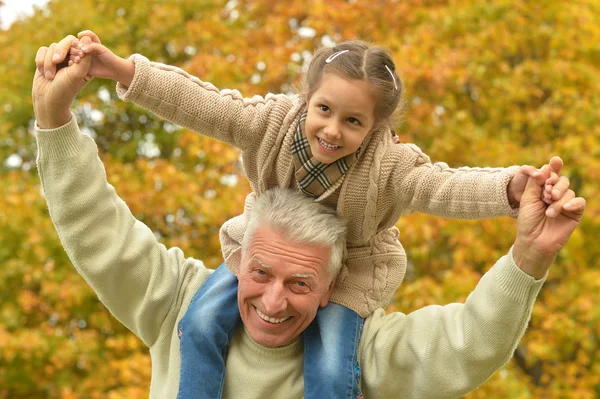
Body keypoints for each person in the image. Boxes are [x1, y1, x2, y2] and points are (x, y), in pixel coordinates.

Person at [34, 35, 586, 399]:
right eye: (260, 274)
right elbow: (199, 107)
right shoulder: (174, 302)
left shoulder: (366, 346)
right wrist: (108, 81)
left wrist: (513, 201)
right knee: (200, 326)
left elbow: (444, 191)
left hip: (360, 277)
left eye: (300, 282)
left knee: (329, 372)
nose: (274, 302)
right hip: (225, 274)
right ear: (306, 98)